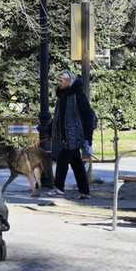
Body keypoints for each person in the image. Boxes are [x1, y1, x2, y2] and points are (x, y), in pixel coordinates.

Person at [49, 70, 95, 199]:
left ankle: (59, 188)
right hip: (64, 135)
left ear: (70, 81)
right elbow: (59, 116)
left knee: (63, 158)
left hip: (74, 135)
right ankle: (85, 191)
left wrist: (88, 139)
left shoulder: (78, 95)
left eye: (62, 80)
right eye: (59, 80)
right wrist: (49, 128)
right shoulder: (62, 96)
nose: (60, 82)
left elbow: (88, 116)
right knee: (76, 163)